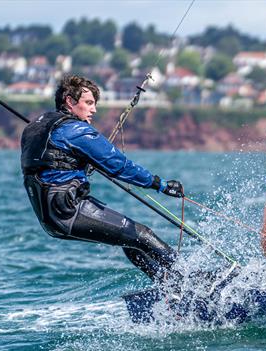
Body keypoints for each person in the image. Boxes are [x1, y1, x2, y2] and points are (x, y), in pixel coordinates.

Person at [21, 75, 184, 281]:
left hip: (50, 218)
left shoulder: (34, 128)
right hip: (67, 210)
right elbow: (118, 165)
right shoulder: (75, 130)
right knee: (143, 235)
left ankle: (170, 287)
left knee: (131, 240)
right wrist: (159, 184)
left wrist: (80, 162)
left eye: (94, 104)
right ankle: (191, 279)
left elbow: (51, 165)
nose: (94, 110)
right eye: (88, 103)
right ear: (70, 101)